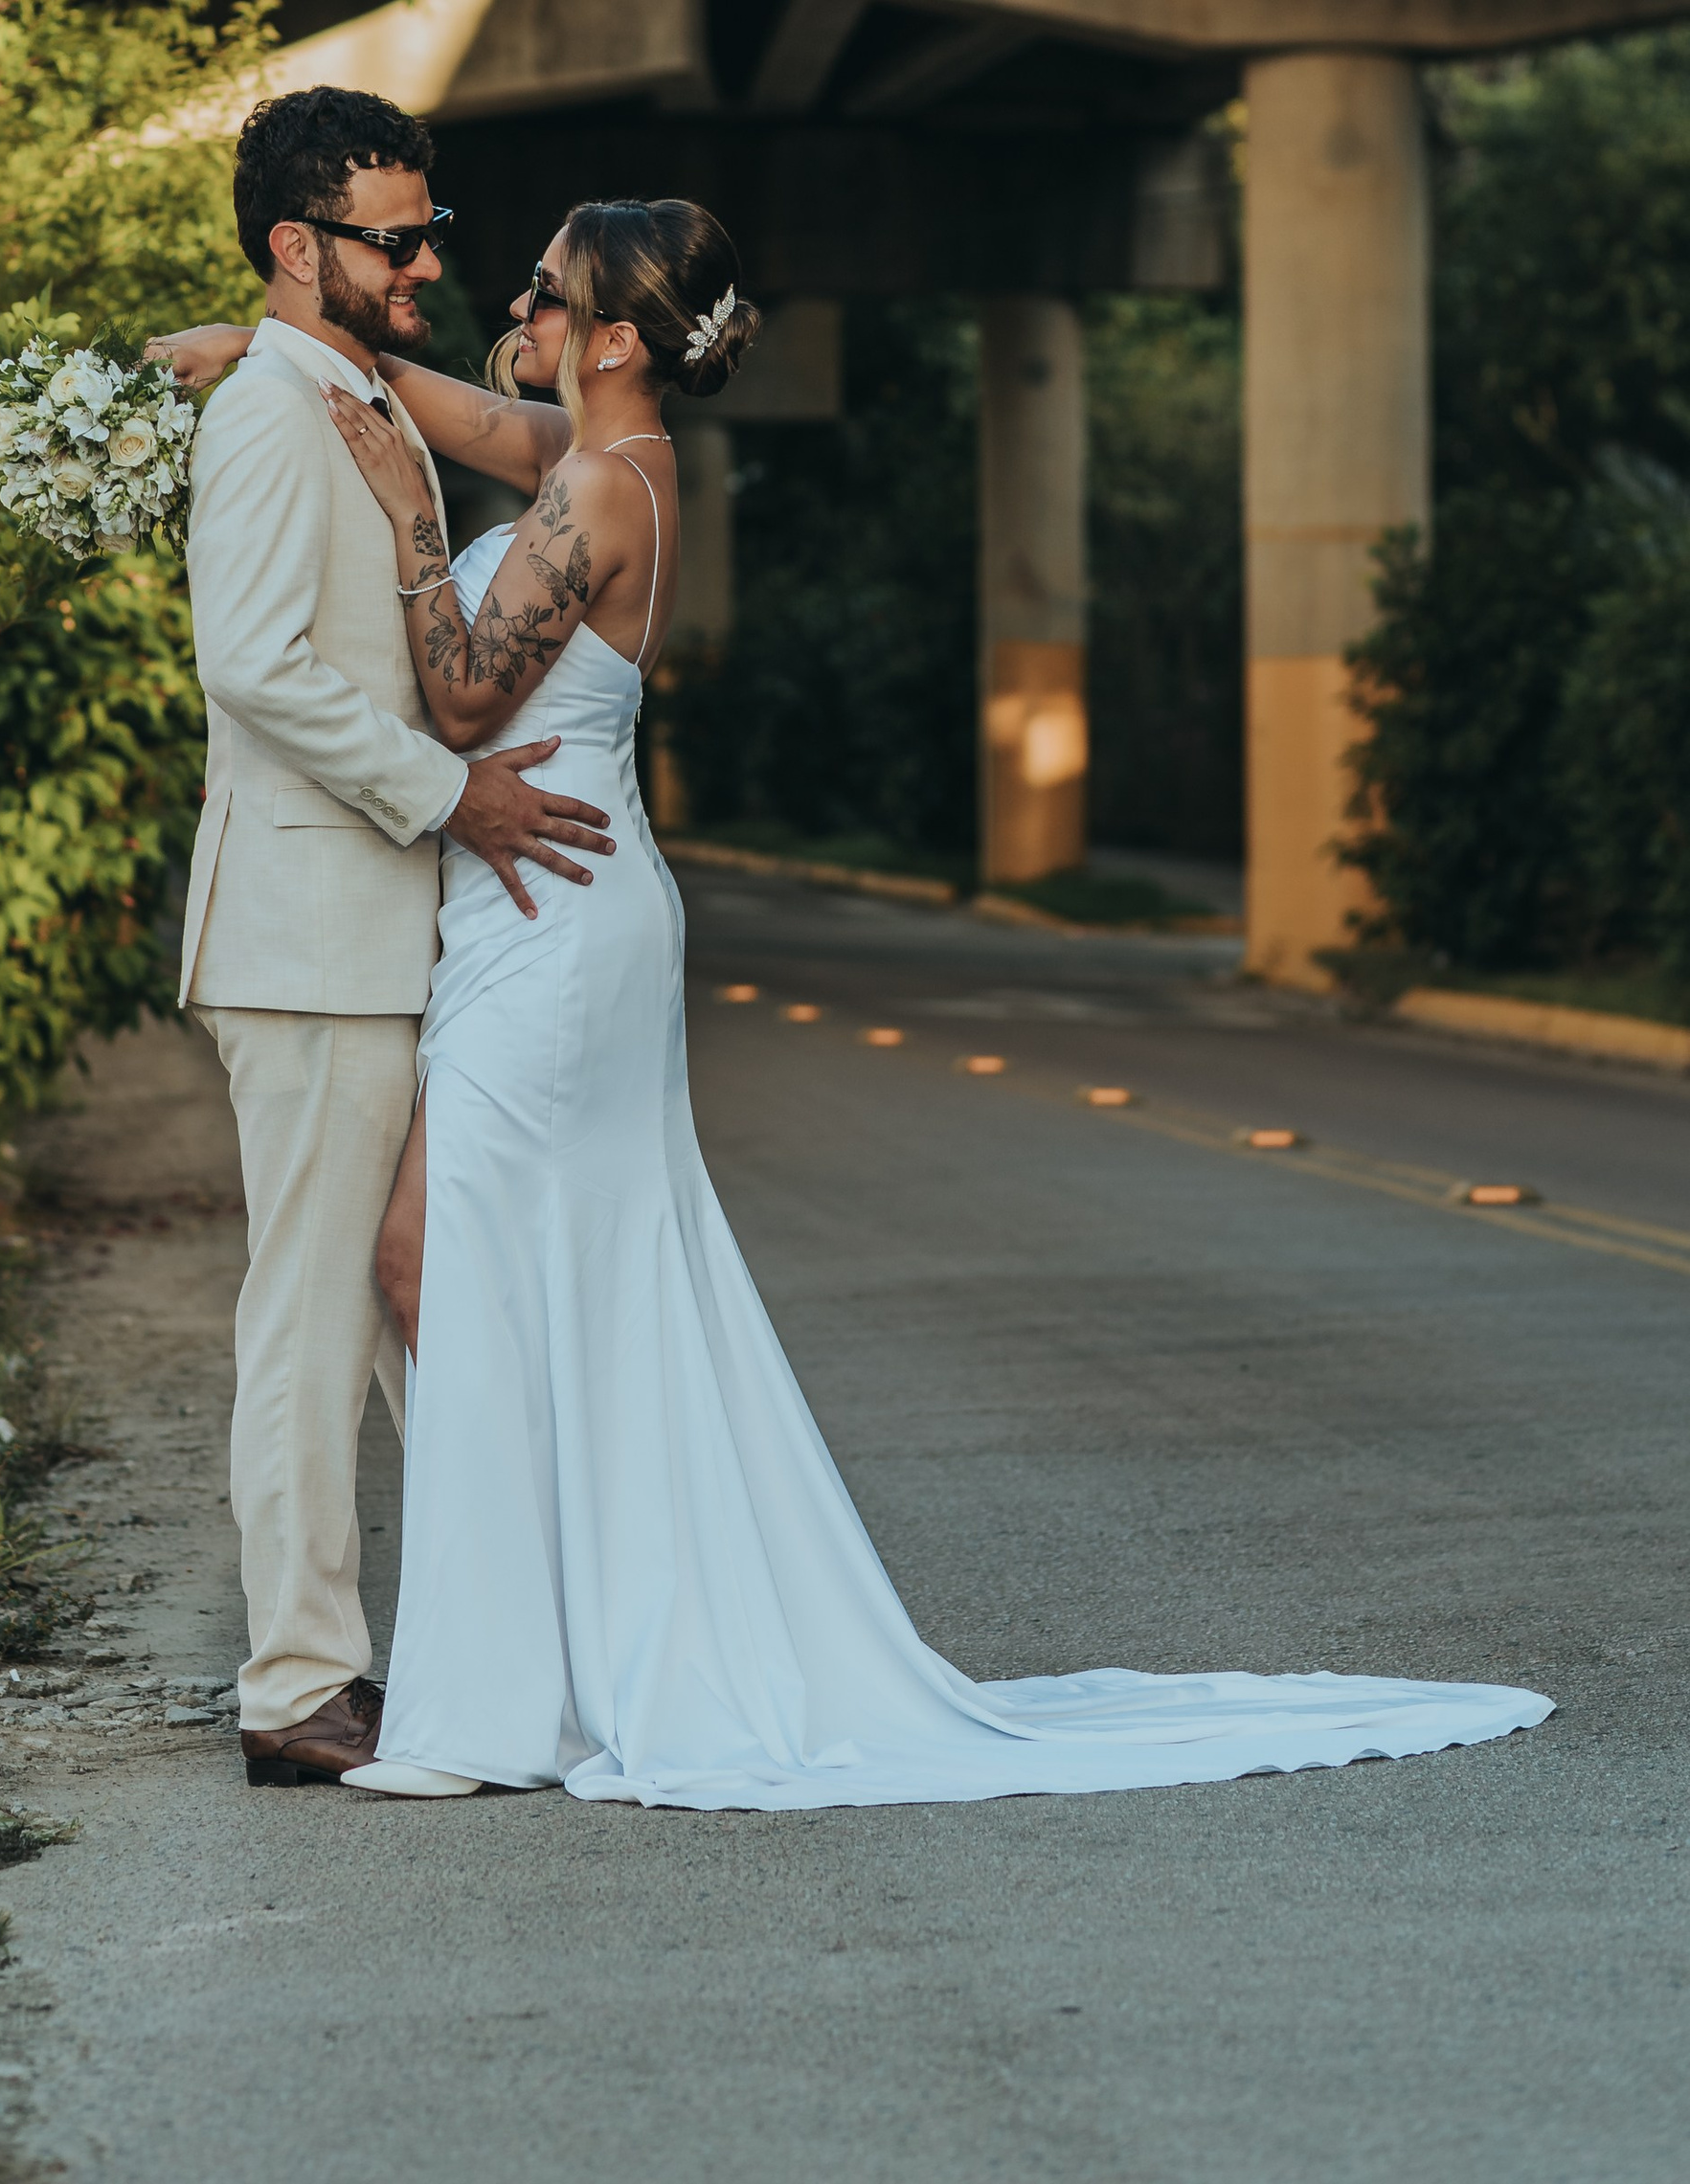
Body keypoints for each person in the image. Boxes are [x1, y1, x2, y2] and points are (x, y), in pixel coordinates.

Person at [162, 192, 1553, 1810]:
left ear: (609, 340)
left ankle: (521, 1681)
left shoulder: (597, 486)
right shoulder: (595, 446)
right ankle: (562, 1650)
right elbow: (444, 408)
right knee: (527, 1272)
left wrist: (410, 517)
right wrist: (273, 352)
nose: (512, 307)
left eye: (543, 291)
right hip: (551, 908)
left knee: (441, 1257)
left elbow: (465, 695)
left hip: (552, 920)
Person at [158, 88, 617, 1790]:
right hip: (306, 932)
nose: (429, 261)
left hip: (378, 932)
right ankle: (296, 1684)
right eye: (397, 238)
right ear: (300, 246)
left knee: (419, 1293)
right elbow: (253, 663)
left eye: (433, 233)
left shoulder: (349, 393)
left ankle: (490, 1651)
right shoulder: (274, 416)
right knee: (316, 1320)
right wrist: (453, 795)